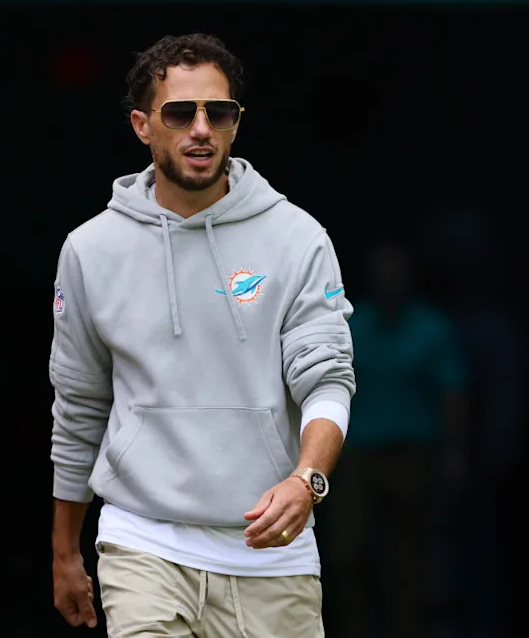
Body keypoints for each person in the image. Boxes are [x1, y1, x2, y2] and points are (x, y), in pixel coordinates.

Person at [49, 33, 355, 637]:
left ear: (236, 123)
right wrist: (64, 550)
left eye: (218, 112)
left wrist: (307, 481)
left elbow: (327, 381)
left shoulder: (298, 238)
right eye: (179, 113)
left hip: (271, 554)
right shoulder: (91, 249)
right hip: (143, 543)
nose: (201, 129)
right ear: (142, 126)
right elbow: (79, 405)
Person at [320, 237, 468, 638]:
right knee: (348, 553)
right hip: (356, 456)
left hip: (411, 454)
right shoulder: (352, 324)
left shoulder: (432, 328)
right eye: (382, 271)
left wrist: (455, 451)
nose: (390, 279)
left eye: (397, 270)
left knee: (408, 558)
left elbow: (453, 390)